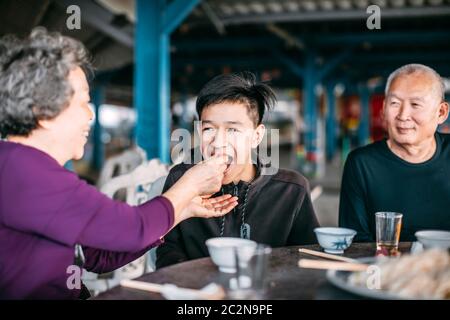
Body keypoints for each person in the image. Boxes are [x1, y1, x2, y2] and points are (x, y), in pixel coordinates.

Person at [0, 28, 238, 299]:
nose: (90, 114)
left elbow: (98, 256)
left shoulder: (25, 167)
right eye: (83, 102)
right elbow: (133, 228)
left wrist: (182, 211)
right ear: (43, 112)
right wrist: (189, 185)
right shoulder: (25, 173)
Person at [156, 72, 320, 269]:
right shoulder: (181, 179)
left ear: (256, 136)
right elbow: (167, 249)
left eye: (233, 130)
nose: (218, 143)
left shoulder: (292, 190)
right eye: (209, 129)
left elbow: (309, 257)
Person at [339, 64, 450, 242]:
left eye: (415, 104)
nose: (403, 115)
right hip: (386, 267)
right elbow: (355, 242)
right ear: (384, 108)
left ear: (441, 112)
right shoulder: (362, 164)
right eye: (395, 103)